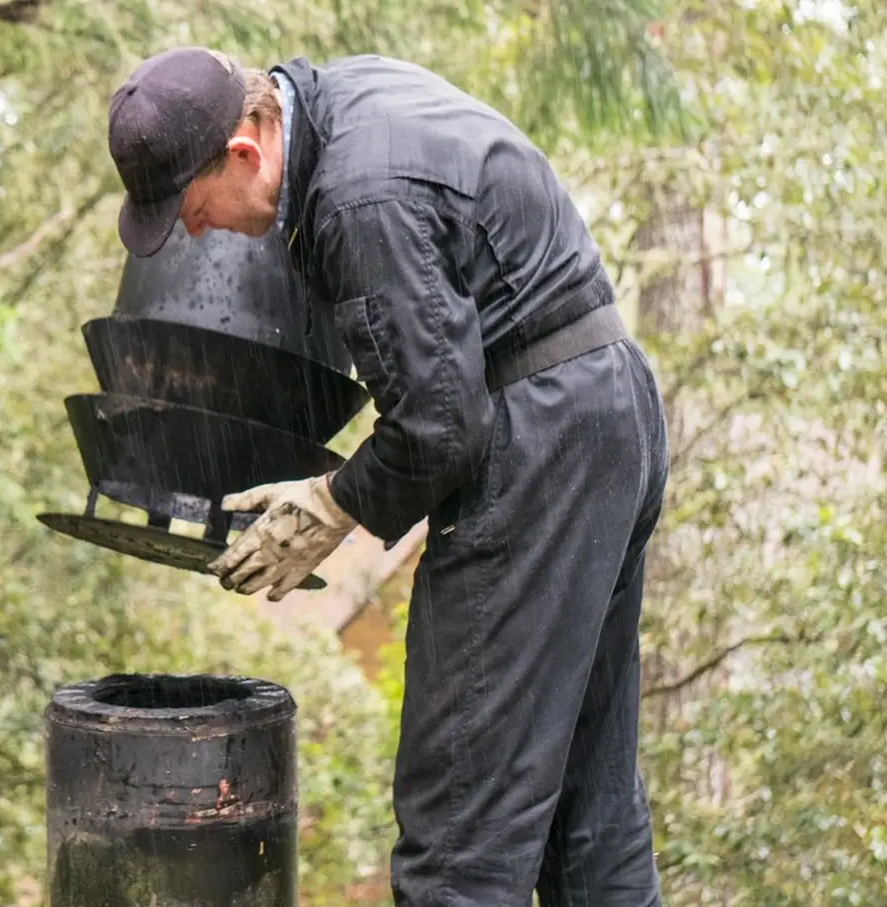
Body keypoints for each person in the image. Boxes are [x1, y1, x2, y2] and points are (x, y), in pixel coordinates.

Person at [105, 46, 670, 907]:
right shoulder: (343, 104)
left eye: (192, 208)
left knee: (458, 840)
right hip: (606, 411)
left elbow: (442, 426)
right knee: (588, 817)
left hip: (540, 447)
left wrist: (333, 502)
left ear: (247, 152)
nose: (195, 231)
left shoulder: (356, 200)